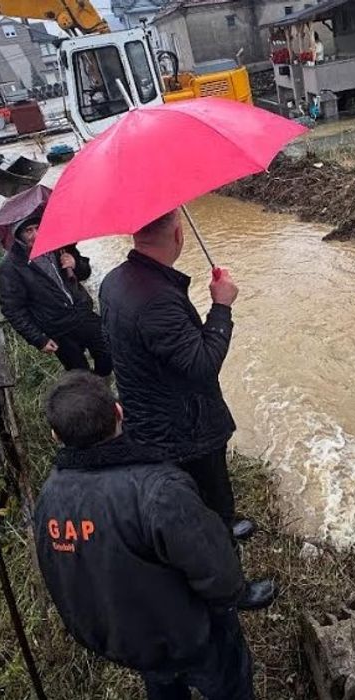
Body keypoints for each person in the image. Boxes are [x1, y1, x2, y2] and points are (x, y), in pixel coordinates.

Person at [34, 371, 275, 700]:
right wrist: (229, 602)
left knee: (162, 685)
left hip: (127, 642)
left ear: (55, 436)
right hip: (189, 637)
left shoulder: (48, 497)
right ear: (119, 413)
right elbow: (218, 572)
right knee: (228, 683)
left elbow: (60, 576)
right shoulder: (159, 490)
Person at [99, 209, 253, 540]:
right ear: (179, 234)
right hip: (181, 429)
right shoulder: (155, 300)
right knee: (208, 494)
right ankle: (223, 558)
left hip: (147, 413)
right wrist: (222, 306)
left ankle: (212, 528)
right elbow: (202, 366)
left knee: (181, 493)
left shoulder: (115, 280)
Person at [0, 215, 112, 375]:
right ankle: (91, 393)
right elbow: (13, 310)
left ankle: (100, 383)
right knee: (79, 374)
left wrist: (75, 263)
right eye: (28, 231)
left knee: (108, 356)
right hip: (58, 329)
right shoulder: (11, 267)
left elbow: (84, 273)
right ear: (18, 234)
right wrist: (38, 339)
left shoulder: (59, 245)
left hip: (84, 315)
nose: (36, 235)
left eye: (38, 228)